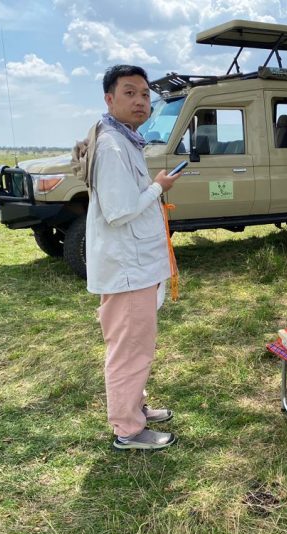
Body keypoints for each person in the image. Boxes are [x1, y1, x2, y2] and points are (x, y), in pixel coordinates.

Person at [86, 64, 182, 450]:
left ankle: (135, 409)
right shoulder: (111, 145)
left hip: (134, 266)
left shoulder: (123, 139)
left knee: (136, 345)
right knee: (129, 350)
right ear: (109, 99)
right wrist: (158, 187)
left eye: (145, 94)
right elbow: (120, 209)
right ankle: (128, 429)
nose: (140, 101)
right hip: (127, 268)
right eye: (130, 93)